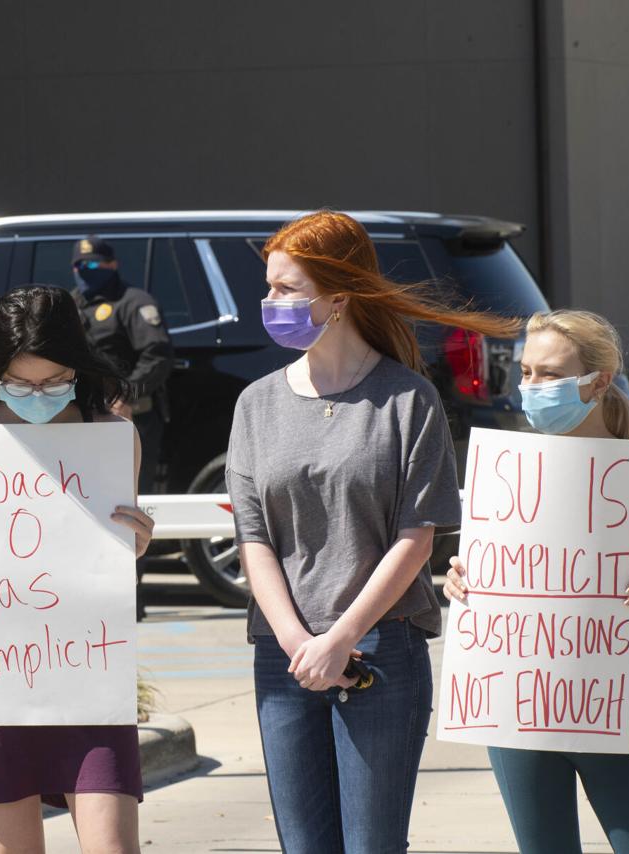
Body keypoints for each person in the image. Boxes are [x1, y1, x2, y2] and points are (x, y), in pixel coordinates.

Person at [224, 210, 519, 853]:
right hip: (284, 656)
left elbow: (417, 536)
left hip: (381, 651)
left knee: (372, 846)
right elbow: (254, 536)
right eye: (269, 286)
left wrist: (341, 638)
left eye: (286, 289)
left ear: (340, 297)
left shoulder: (408, 400)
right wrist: (300, 641)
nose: (269, 302)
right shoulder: (257, 403)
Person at [443, 309, 629, 854]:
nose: (532, 387)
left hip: (620, 717)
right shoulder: (504, 480)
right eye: (526, 372)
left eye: (550, 374)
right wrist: (465, 585)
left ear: (599, 382)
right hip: (515, 714)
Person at [0, 285, 155, 854]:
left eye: (53, 381)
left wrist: (137, 546)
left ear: (77, 367)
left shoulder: (113, 439)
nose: (38, 395)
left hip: (90, 686)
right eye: (21, 383)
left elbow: (104, 559)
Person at [71, 236, 173, 619]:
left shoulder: (134, 303)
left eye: (94, 266)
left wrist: (125, 394)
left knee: (125, 508)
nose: (85, 273)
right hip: (84, 424)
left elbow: (157, 355)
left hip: (133, 423)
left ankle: (132, 594)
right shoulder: (74, 305)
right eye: (80, 267)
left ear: (112, 266)